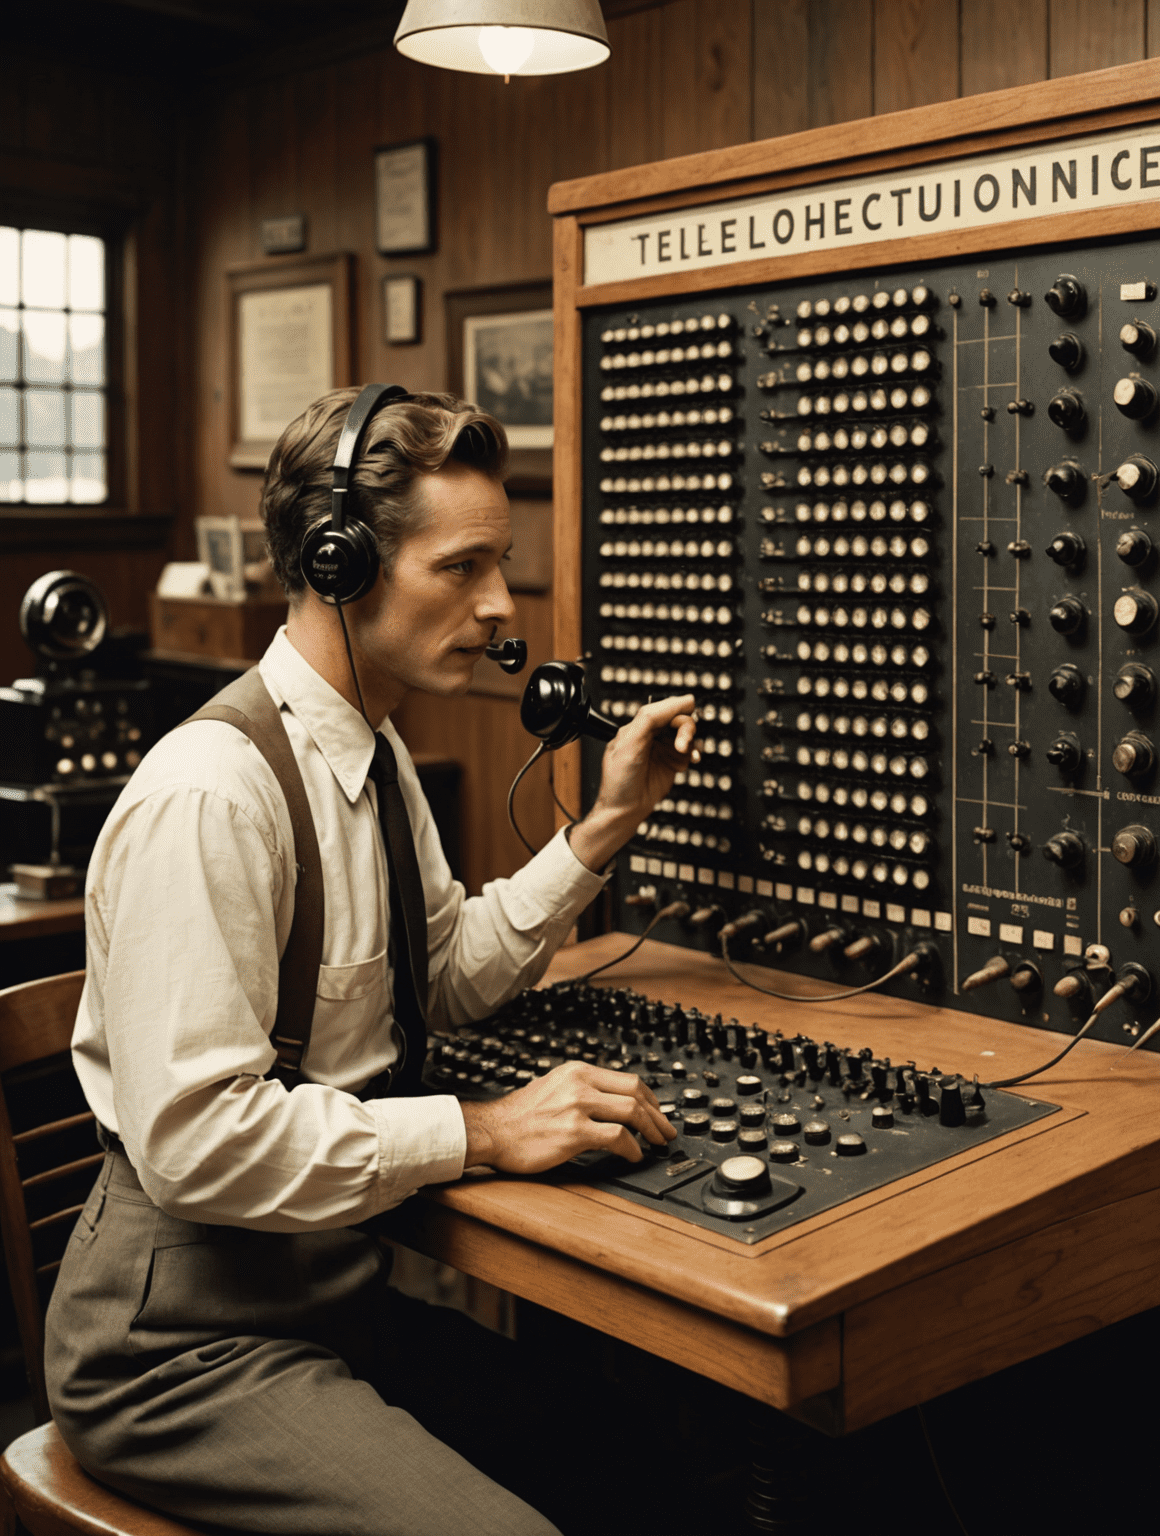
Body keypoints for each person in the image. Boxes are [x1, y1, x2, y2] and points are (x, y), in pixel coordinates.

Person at [44, 386, 691, 1534]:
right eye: (462, 568)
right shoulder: (213, 796)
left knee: (639, 1455)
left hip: (330, 1294)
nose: (500, 606)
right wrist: (484, 1130)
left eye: (500, 566)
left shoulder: (375, 755)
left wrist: (600, 830)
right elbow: (198, 1142)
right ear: (339, 566)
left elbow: (437, 978)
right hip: (180, 1346)